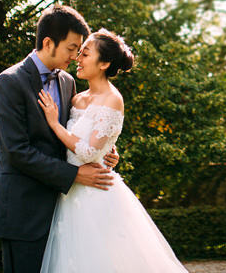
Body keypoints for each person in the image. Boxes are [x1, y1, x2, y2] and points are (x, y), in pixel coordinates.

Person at [38, 28, 189, 272]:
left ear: (104, 63)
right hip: (69, 193)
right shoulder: (76, 98)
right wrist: (110, 149)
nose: (78, 58)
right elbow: (94, 136)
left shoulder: (113, 98)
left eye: (85, 54)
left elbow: (87, 152)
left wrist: (54, 123)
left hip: (97, 194)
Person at [0, 5, 121, 273]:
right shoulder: (9, 82)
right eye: (72, 48)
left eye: (81, 50)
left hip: (63, 210)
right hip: (23, 211)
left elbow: (76, 132)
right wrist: (74, 175)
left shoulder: (68, 82)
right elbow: (16, 151)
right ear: (48, 43)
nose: (76, 56)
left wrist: (105, 150)